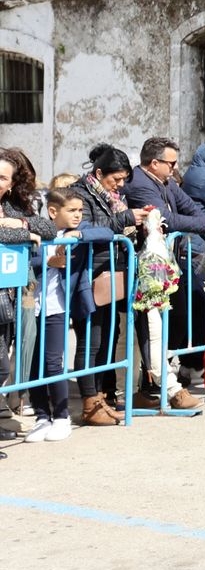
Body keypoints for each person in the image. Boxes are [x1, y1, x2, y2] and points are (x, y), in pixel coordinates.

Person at [122, 138, 205, 411]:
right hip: (146, 267)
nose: (175, 168)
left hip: (166, 264)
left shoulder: (167, 181)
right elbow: (167, 219)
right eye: (171, 163)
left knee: (164, 326)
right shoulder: (140, 184)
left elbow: (188, 207)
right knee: (150, 329)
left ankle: (150, 387)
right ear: (154, 163)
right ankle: (164, 387)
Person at [26, 190, 113, 443]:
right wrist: (49, 261)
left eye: (79, 210)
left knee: (53, 362)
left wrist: (79, 234)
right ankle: (42, 416)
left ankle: (62, 417)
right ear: (53, 212)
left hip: (58, 306)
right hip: (32, 305)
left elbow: (106, 233)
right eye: (71, 211)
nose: (77, 215)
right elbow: (30, 258)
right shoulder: (40, 230)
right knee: (33, 363)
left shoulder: (79, 229)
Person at [68, 144, 142, 425]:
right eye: (116, 180)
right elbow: (83, 230)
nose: (121, 185)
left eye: (123, 180)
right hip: (87, 273)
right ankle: (88, 402)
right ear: (99, 173)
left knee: (107, 338)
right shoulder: (79, 194)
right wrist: (125, 219)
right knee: (90, 339)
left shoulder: (111, 196)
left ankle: (99, 396)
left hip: (109, 273)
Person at [0, 149, 56, 434]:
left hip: (19, 285)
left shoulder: (12, 205)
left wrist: (20, 223)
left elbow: (48, 228)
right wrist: (24, 234)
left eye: (3, 178)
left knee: (24, 333)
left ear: (11, 183)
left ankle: (13, 397)